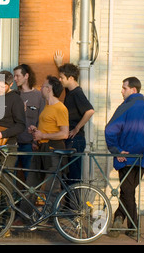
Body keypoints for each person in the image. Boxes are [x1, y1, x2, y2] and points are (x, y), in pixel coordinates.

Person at [105, 77, 144, 238]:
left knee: (127, 191)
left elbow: (110, 130)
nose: (121, 91)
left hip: (125, 158)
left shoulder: (125, 107)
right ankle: (120, 218)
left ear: (133, 90)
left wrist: (116, 150)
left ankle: (131, 226)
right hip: (143, 159)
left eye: (124, 88)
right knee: (128, 190)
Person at [25, 76, 69, 215]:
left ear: (49, 89)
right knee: (30, 185)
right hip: (41, 149)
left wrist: (43, 136)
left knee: (51, 188)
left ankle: (52, 218)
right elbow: (48, 128)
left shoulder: (60, 108)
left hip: (53, 151)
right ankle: (24, 215)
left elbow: (64, 134)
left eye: (42, 86)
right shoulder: (47, 107)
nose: (40, 88)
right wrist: (36, 133)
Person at [56, 62, 95, 183]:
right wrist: (59, 65)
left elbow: (89, 111)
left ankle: (75, 202)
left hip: (75, 140)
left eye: (61, 77)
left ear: (71, 78)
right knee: (68, 176)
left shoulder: (77, 93)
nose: (59, 79)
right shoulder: (70, 91)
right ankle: (69, 202)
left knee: (73, 177)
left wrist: (77, 128)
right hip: (71, 139)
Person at [13, 64, 45, 180]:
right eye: (14, 76)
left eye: (17, 76)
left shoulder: (39, 96)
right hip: (13, 143)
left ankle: (30, 199)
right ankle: (12, 198)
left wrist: (36, 141)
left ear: (26, 76)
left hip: (30, 144)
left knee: (30, 178)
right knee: (10, 177)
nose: (15, 79)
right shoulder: (14, 95)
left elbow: (41, 120)